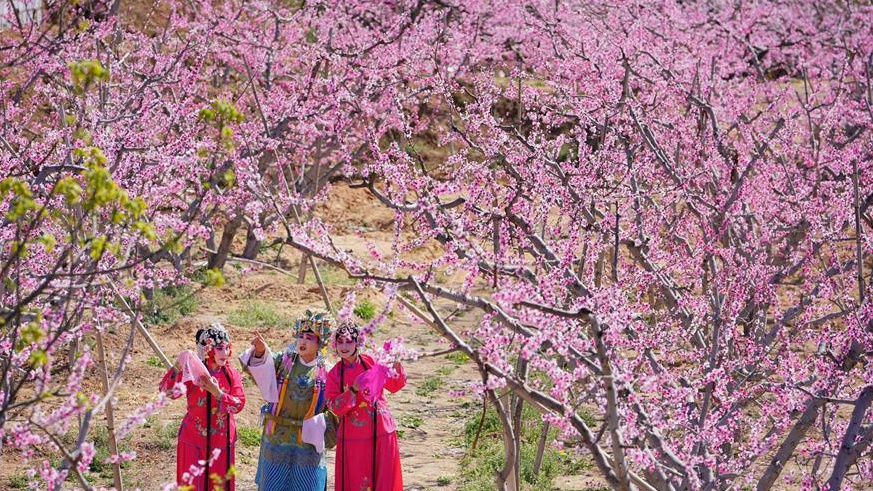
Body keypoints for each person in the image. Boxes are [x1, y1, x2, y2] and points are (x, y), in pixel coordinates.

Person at [241, 309, 337, 491]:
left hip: (307, 441)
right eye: (301, 336)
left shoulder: (328, 371)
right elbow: (260, 368)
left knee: (306, 485)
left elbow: (334, 407)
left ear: (321, 342)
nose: (303, 341)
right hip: (277, 436)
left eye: (310, 337)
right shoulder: (284, 361)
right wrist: (260, 352)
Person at [158, 323, 246, 491]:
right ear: (207, 350)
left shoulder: (230, 374)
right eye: (219, 348)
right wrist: (178, 365)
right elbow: (167, 392)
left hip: (222, 441)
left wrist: (217, 393)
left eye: (227, 348)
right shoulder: (193, 373)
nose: (225, 353)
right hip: (193, 439)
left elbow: (239, 404)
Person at [326, 322, 406, 491]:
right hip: (353, 437)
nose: (344, 346)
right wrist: (353, 390)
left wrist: (396, 363)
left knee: (384, 480)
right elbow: (334, 407)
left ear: (358, 343)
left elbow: (394, 385)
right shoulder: (334, 374)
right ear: (335, 345)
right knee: (356, 481)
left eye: (349, 341)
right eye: (340, 341)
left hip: (382, 430)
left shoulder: (372, 361)